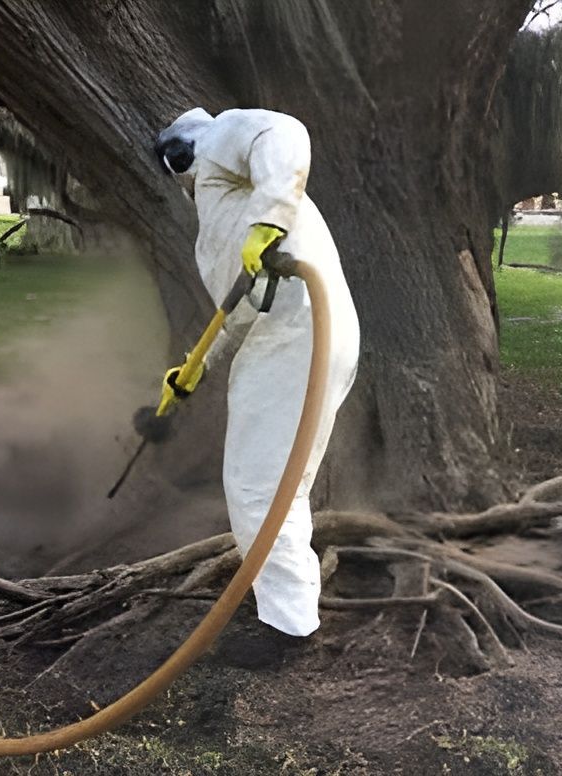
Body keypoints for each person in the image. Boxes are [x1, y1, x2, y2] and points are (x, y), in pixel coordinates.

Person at [150, 107, 360, 637]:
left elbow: (285, 132)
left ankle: (287, 629)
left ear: (181, 153)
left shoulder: (221, 140)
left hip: (299, 329)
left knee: (257, 487)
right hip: (304, 329)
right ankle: (289, 608)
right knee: (279, 484)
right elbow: (240, 309)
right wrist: (193, 368)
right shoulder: (221, 214)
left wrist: (269, 218)